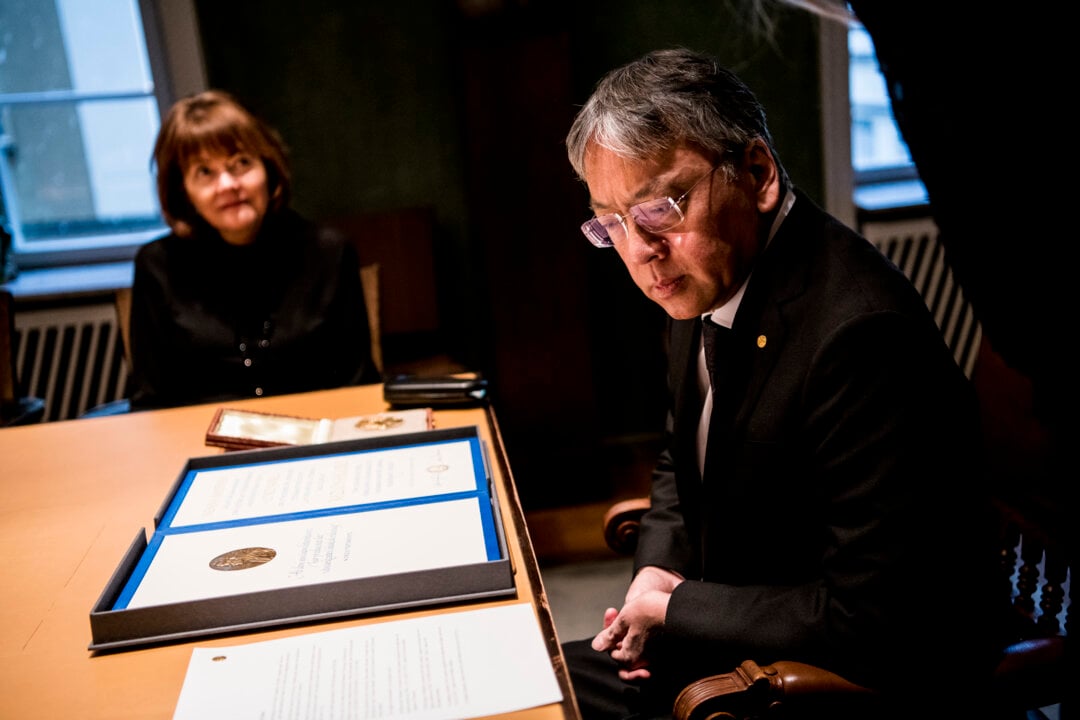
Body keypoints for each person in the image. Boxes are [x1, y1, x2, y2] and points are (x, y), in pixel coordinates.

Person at [561, 48, 1006, 719]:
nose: (638, 252)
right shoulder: (702, 273)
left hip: (823, 680)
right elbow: (680, 463)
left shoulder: (860, 336)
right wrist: (656, 572)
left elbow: (872, 619)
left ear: (758, 173)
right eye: (611, 223)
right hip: (731, 627)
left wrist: (675, 605)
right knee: (522, 689)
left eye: (657, 209)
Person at [128, 90, 380, 409]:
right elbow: (149, 400)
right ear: (183, 189)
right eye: (204, 172)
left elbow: (358, 385)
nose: (228, 185)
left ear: (268, 168)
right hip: (198, 445)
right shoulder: (157, 265)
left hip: (318, 438)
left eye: (241, 163)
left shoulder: (329, 252)